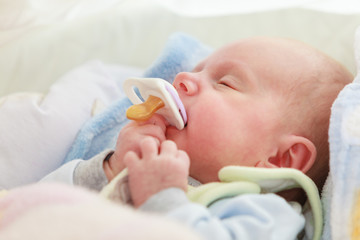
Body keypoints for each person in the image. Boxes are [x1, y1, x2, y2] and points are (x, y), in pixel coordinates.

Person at [42, 37, 353, 239]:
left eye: (226, 83)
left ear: (280, 159)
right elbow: (40, 205)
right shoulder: (137, 166)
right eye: (196, 70)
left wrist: (161, 198)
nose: (182, 79)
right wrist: (111, 168)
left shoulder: (267, 215)